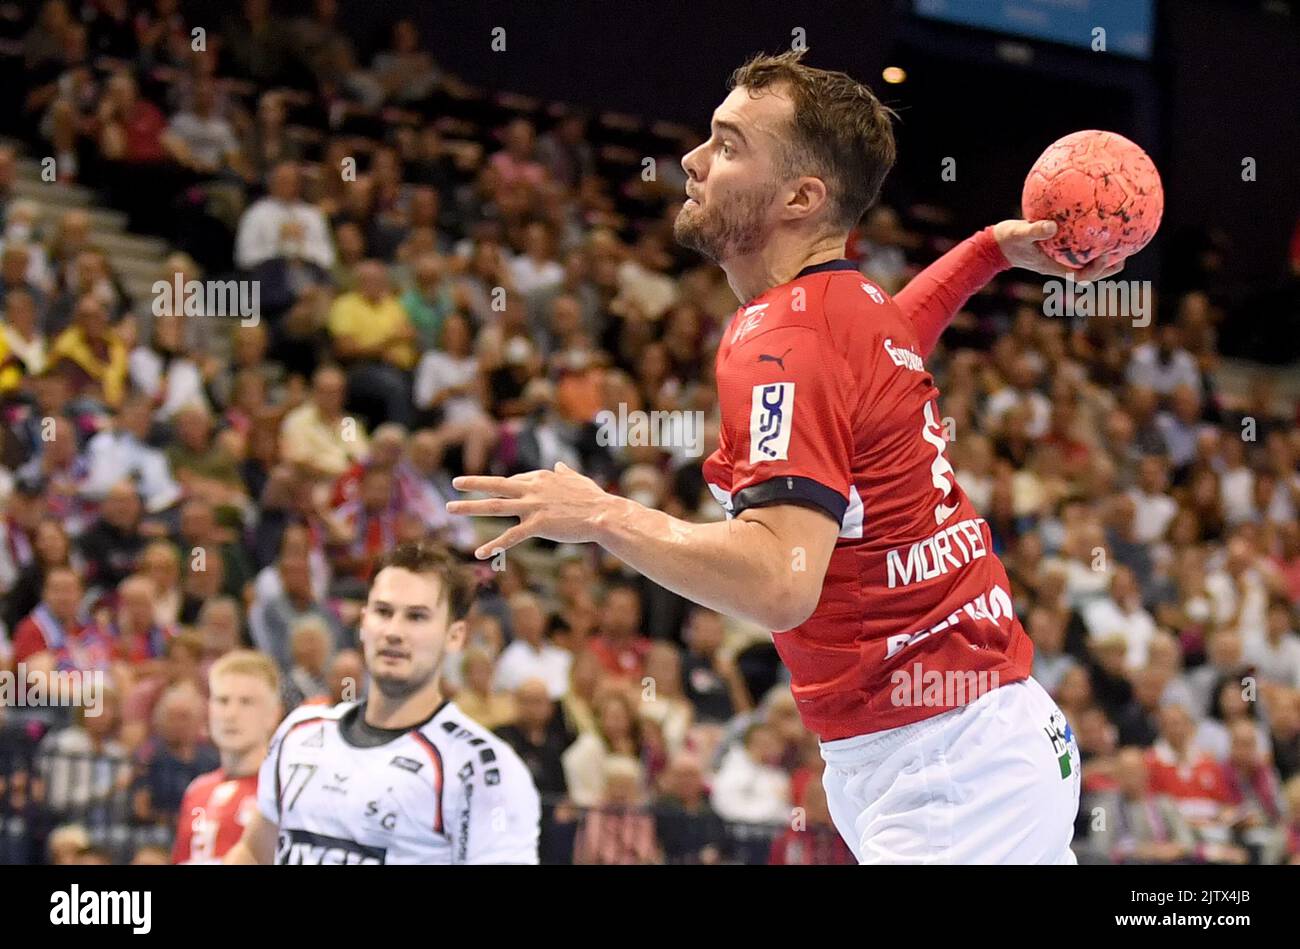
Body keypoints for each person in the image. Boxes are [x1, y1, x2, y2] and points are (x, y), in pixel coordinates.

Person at [448, 51, 1125, 864]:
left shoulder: (786, 340)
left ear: (802, 197)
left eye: (728, 146)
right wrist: (985, 253)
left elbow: (779, 581)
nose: (693, 162)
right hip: (959, 743)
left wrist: (602, 514)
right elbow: (894, 339)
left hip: (951, 767)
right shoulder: (851, 305)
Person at [224, 540, 540, 864]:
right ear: (363, 623)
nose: (393, 631)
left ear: (455, 636)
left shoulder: (483, 768)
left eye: (416, 617)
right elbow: (254, 852)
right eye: (383, 612)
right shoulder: (299, 733)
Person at [173, 651, 282, 863]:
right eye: (222, 701)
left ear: (273, 714)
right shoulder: (197, 790)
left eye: (246, 702)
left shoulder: (283, 791)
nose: (231, 713)